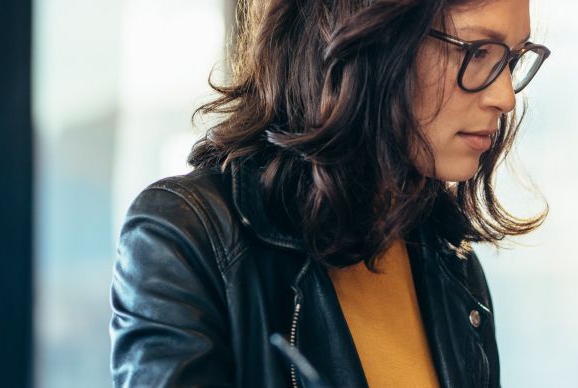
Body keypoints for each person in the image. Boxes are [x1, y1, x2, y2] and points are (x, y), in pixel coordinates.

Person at [109, 0, 549, 386]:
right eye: (478, 53)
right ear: (370, 36)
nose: (505, 96)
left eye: (510, 59)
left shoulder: (450, 262)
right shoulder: (185, 238)